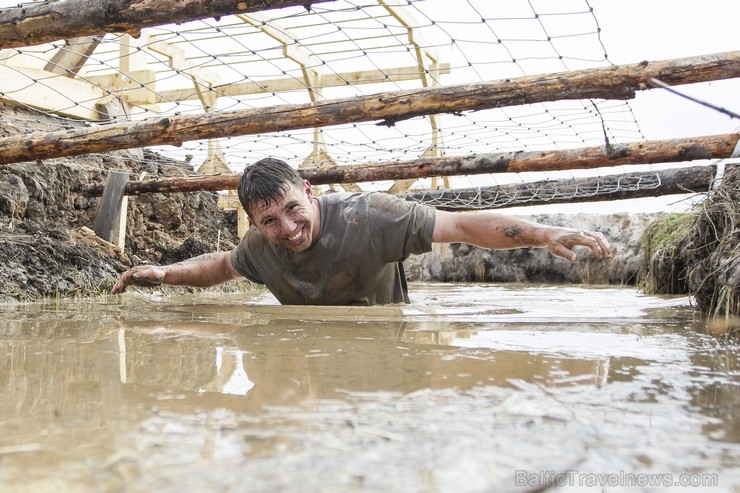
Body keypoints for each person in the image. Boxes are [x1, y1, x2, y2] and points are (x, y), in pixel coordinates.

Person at [111, 158, 611, 305]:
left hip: (386, 332)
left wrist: (540, 231)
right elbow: (217, 266)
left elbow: (460, 225)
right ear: (254, 224)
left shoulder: (373, 216)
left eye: (292, 209)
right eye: (269, 221)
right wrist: (159, 273)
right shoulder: (259, 248)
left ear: (309, 191)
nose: (288, 228)